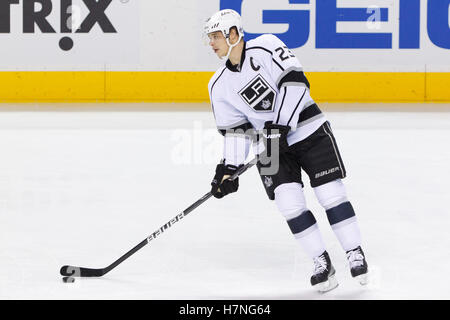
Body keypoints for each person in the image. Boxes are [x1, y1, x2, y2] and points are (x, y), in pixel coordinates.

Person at [204, 9, 368, 293]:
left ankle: (354, 251)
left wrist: (280, 126)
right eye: (210, 37)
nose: (212, 42)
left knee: (331, 193)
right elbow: (237, 132)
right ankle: (322, 263)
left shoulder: (266, 46)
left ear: (234, 34)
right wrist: (228, 168)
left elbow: (295, 83)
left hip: (309, 129)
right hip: (269, 146)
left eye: (217, 35)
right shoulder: (217, 85)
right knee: (289, 204)